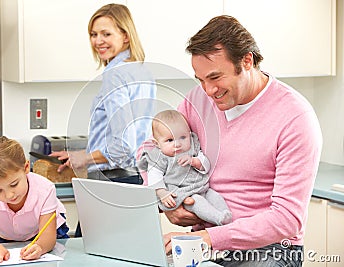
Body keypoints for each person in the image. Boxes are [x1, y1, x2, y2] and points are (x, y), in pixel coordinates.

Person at [159, 15, 322, 266]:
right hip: (207, 241)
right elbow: (155, 146)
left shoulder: (295, 117)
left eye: (215, 77)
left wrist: (211, 238)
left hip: (270, 250)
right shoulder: (198, 102)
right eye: (200, 80)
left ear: (247, 60)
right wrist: (165, 202)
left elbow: (288, 218)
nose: (208, 90)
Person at [49, 3, 156, 237]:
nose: (98, 41)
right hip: (137, 179)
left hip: (112, 183)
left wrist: (84, 158)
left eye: (106, 34)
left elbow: (122, 146)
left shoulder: (115, 75)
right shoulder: (142, 72)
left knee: (85, 256)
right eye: (94, 34)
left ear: (126, 37)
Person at [0, 136, 69, 264]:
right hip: (4, 236)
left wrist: (40, 247)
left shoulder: (45, 190)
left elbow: (48, 237)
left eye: (14, 184)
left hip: (42, 236)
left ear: (26, 168)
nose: (9, 195)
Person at [137, 110, 232, 226]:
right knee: (197, 202)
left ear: (189, 134)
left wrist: (194, 161)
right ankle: (219, 219)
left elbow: (205, 165)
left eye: (183, 137)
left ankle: (226, 214)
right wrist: (162, 193)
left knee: (214, 196)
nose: (177, 144)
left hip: (202, 187)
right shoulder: (159, 157)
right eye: (170, 140)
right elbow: (154, 178)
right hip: (182, 193)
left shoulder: (193, 147)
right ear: (157, 144)